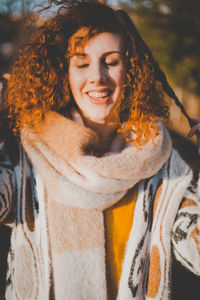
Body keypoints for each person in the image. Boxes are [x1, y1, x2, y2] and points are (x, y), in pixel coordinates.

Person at [0, 1, 199, 299]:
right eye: (81, 63)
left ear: (131, 71)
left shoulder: (165, 166)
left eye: (111, 61)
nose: (97, 76)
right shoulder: (27, 158)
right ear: (64, 72)